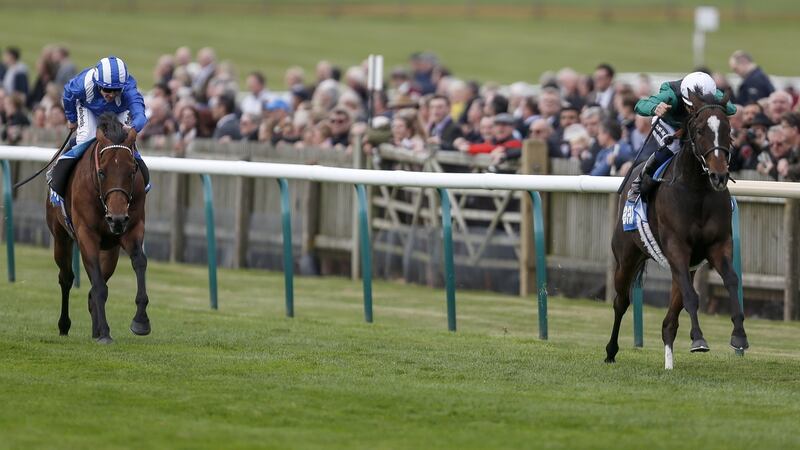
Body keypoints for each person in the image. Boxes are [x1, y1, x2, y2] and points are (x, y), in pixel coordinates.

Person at [627, 71, 736, 202]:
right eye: (691, 108)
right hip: (669, 124)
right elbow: (640, 105)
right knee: (674, 146)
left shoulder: (713, 93)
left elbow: (732, 109)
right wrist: (655, 107)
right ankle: (640, 180)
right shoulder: (671, 95)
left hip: (694, 126)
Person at [50, 56, 149, 199]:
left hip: (118, 111)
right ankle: (57, 181)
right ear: (97, 84)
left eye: (116, 90)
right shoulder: (84, 83)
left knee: (125, 142)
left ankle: (143, 183)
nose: (111, 95)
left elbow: (139, 113)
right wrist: (72, 119)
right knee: (85, 138)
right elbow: (68, 94)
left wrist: (134, 128)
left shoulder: (129, 89)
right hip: (88, 108)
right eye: (106, 89)